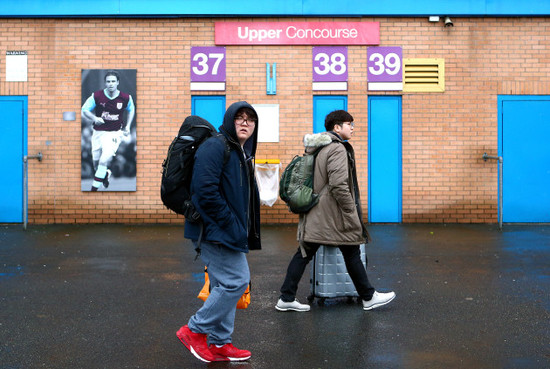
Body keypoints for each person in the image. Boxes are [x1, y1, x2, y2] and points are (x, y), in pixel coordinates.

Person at [275, 110, 395, 312]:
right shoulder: (337, 149)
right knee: (350, 250)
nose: (353, 128)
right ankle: (368, 296)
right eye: (349, 124)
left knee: (307, 253)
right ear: (337, 127)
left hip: (317, 213)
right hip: (332, 214)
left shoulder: (319, 147)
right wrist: (351, 212)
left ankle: (286, 297)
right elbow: (339, 185)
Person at [176, 101, 261, 363]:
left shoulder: (240, 151)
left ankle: (220, 343)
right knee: (237, 281)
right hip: (214, 231)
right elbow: (205, 192)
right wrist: (232, 224)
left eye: (250, 119)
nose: (245, 122)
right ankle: (195, 330)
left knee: (224, 285)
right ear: (229, 120)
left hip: (226, 231)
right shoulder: (216, 146)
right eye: (239, 117)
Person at [81, 70, 135, 191]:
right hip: (97, 133)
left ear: (118, 83)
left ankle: (93, 189)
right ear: (105, 83)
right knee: (96, 165)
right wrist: (94, 118)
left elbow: (131, 109)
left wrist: (128, 126)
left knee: (104, 160)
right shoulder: (97, 96)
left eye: (113, 81)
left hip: (114, 134)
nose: (111, 84)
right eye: (108, 81)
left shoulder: (125, 98)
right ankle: (105, 174)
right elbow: (84, 109)